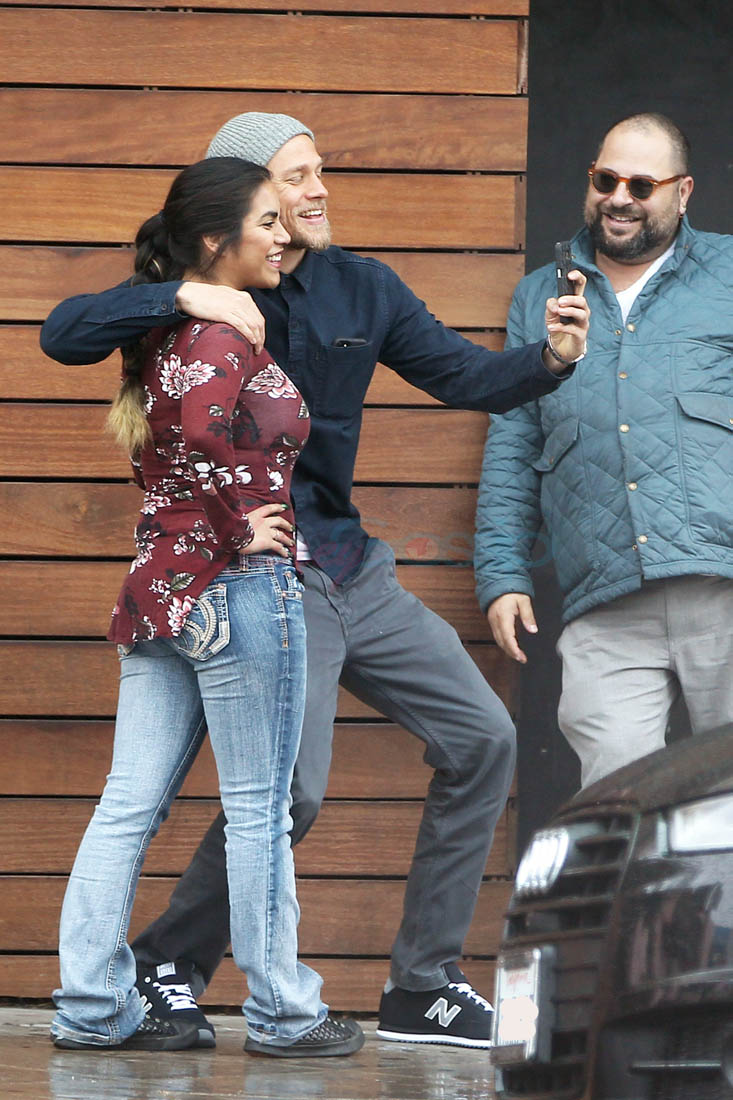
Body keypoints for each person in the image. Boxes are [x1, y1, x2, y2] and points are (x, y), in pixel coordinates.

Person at [41, 111, 589, 1050]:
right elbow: (66, 334)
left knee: (483, 737)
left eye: (318, 169)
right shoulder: (200, 300)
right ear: (249, 202)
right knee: (283, 796)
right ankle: (172, 966)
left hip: (350, 567)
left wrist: (550, 360)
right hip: (260, 580)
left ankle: (423, 983)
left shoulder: (360, 287)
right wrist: (188, 294)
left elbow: (463, 377)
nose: (318, 189)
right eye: (294, 178)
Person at [50, 156, 363, 1058]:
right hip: (236, 590)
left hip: (161, 590)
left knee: (127, 806)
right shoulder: (220, 334)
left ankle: (90, 1005)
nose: (282, 235)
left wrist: (206, 527)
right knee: (260, 810)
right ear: (216, 240)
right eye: (266, 221)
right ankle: (284, 1014)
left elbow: (173, 445)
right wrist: (236, 526)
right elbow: (198, 435)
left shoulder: (166, 332)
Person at [475, 112, 733, 790]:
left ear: (682, 192)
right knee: (615, 808)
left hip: (723, 583)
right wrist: (502, 574)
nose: (619, 198)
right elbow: (514, 438)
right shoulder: (540, 293)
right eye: (605, 180)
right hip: (602, 595)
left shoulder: (728, 273)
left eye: (641, 185)